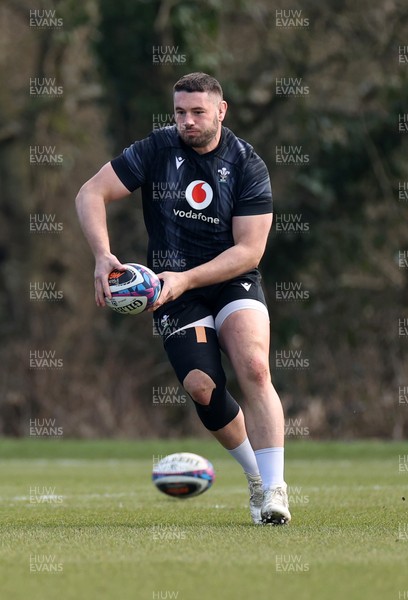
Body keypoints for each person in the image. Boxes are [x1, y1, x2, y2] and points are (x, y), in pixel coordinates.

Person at [75, 72, 291, 525]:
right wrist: (101, 255)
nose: (187, 122)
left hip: (231, 278)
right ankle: (255, 479)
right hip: (171, 291)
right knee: (202, 387)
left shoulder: (247, 164)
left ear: (221, 110)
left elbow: (249, 250)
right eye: (180, 113)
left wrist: (187, 278)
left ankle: (275, 491)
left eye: (197, 112)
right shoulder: (156, 149)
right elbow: (91, 192)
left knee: (253, 365)